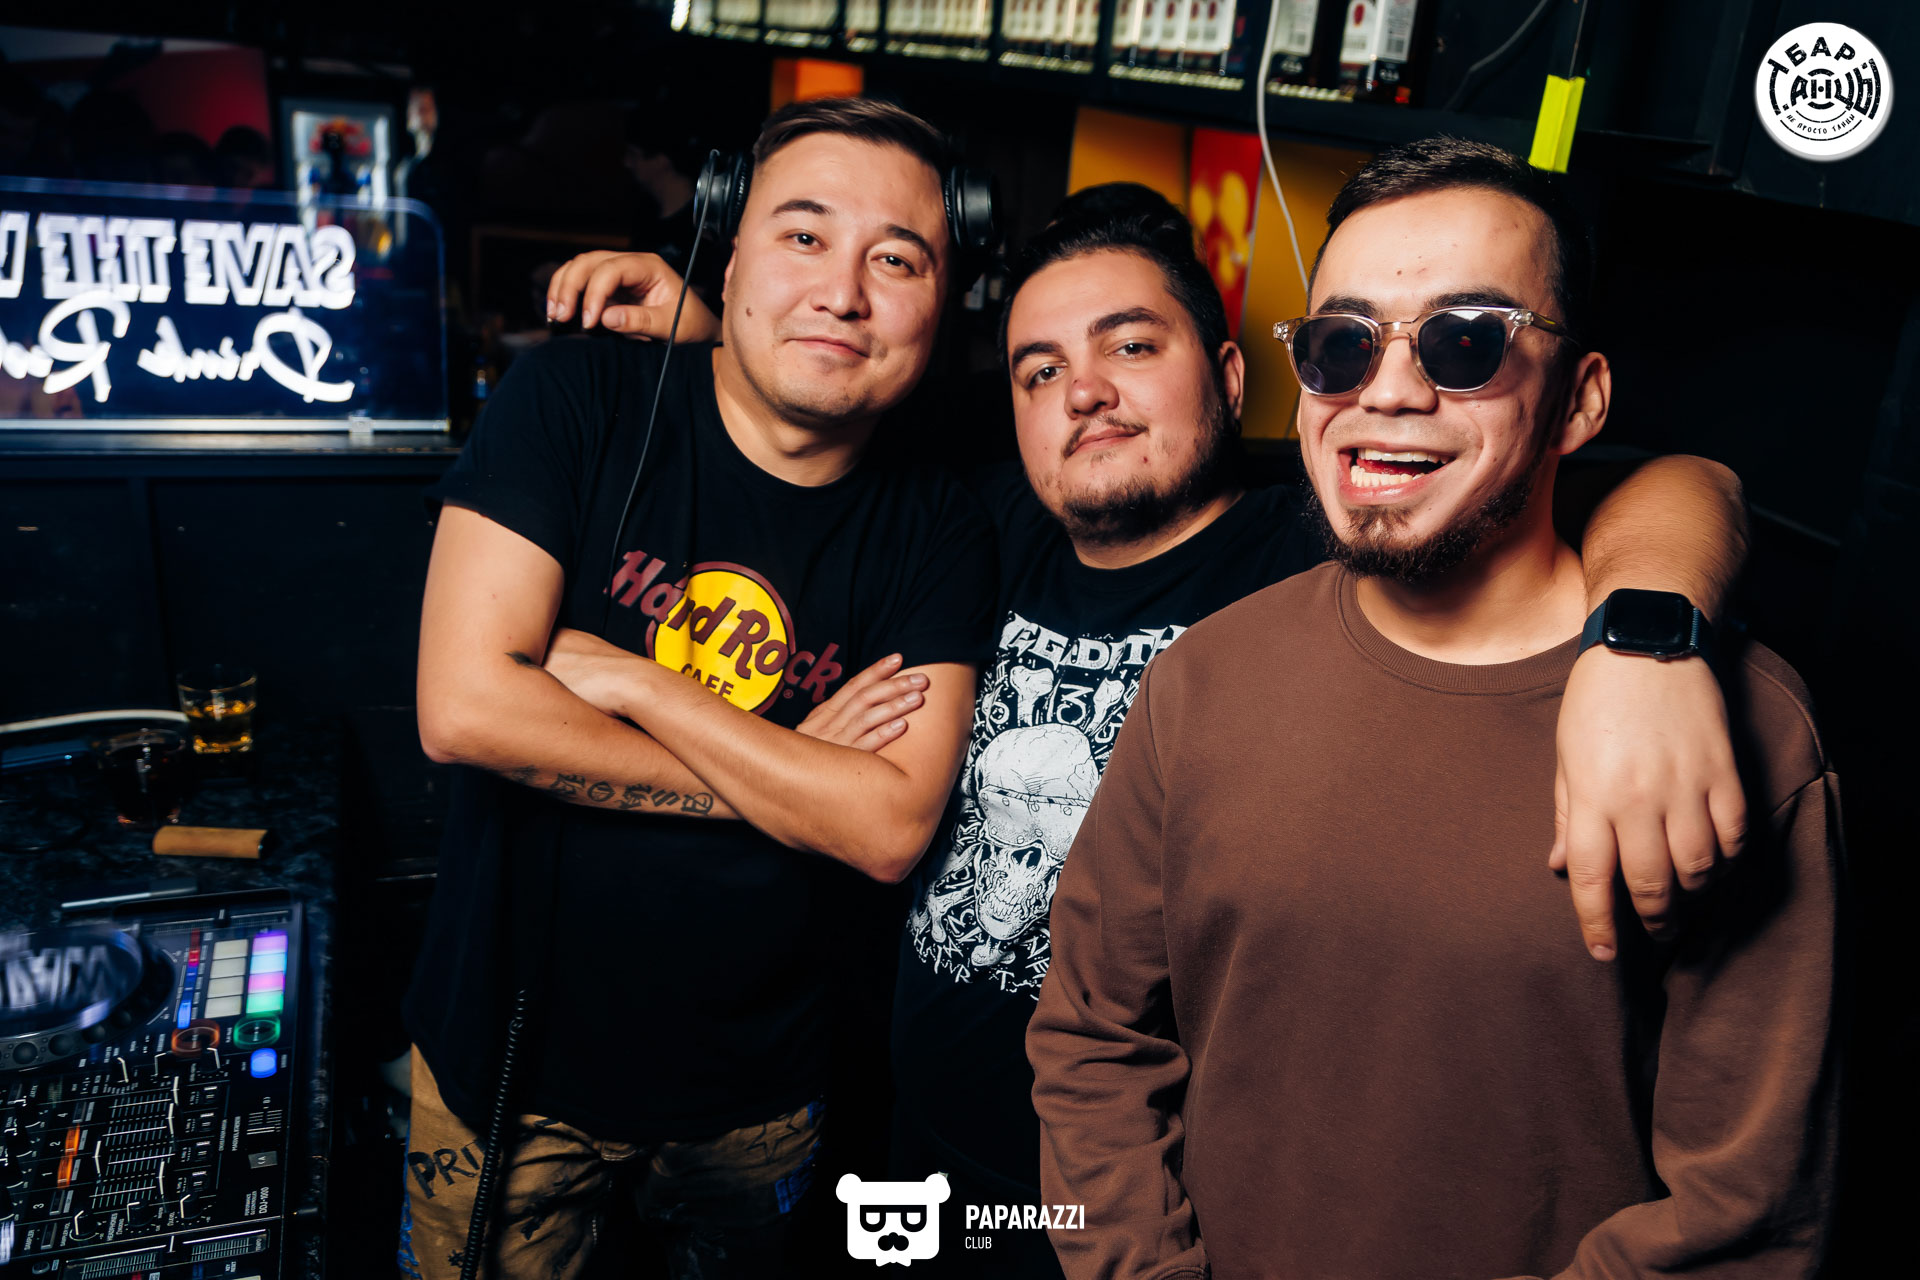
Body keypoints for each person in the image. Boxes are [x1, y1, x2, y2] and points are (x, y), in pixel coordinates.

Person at [548, 175, 1753, 1275]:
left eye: (1132, 346)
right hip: (919, 1168)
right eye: (1039, 370)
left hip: (1159, 1204)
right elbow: (835, 406)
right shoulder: (980, 529)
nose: (1084, 392)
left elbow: (1676, 477)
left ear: (1231, 377)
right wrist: (716, 335)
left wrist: (1646, 634)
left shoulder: (1329, 536)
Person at [1027, 138, 1838, 1278]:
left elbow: (1741, 1216)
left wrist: (1645, 645)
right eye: (1342, 345)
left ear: (1579, 400)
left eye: (1467, 341)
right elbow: (1091, 1040)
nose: (1391, 390)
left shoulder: (1739, 730)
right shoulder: (1202, 681)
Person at [403, 97, 998, 1280]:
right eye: (803, 236)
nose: (842, 291)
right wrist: (800, 774)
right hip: (508, 1071)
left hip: (761, 1092)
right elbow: (464, 709)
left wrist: (636, 681)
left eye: (897, 259)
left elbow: (885, 827)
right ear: (726, 253)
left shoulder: (942, 522)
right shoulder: (574, 399)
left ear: (945, 303)